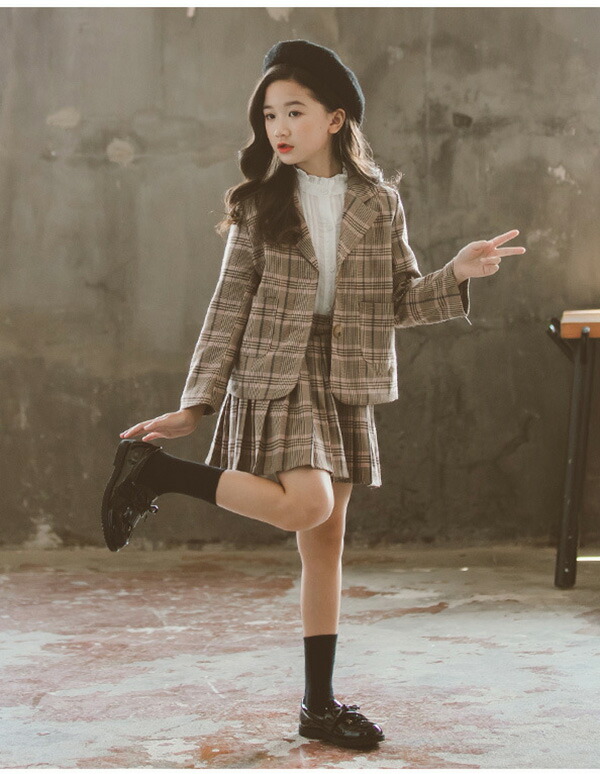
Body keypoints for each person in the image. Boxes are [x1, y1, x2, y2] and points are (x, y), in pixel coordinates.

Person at [101, 39, 526, 750]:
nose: (279, 128)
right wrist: (196, 405)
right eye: (270, 115)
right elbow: (227, 308)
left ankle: (318, 707)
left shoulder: (379, 203)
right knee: (308, 504)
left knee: (324, 545)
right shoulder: (259, 205)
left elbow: (398, 302)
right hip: (279, 370)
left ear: (335, 118)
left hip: (346, 379)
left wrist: (456, 272)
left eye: (294, 111)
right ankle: (158, 474)